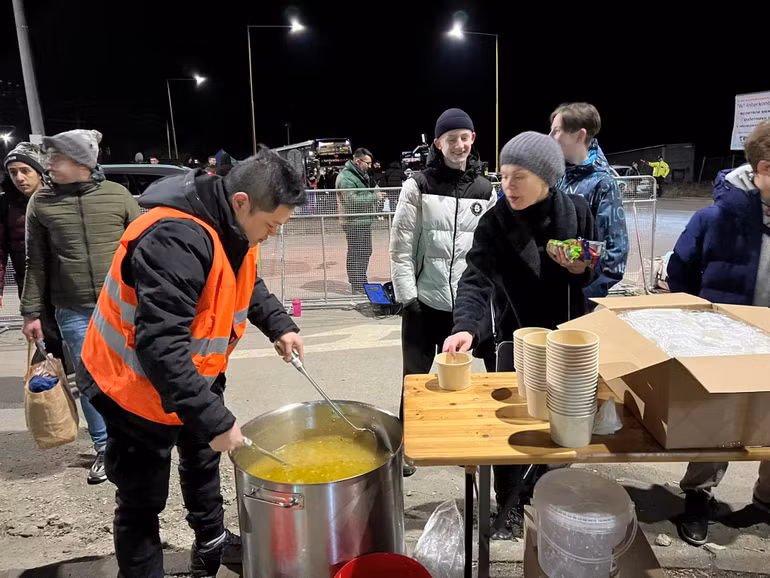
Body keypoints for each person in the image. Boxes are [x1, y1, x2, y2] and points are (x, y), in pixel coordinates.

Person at [78, 146, 306, 578]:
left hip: (193, 376)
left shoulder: (235, 227)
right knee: (142, 499)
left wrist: (280, 325)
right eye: (271, 225)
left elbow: (246, 281)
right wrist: (216, 420)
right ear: (242, 202)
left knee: (203, 459)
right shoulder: (175, 238)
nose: (273, 234)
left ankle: (213, 542)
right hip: (130, 387)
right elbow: (160, 347)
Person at [443, 132, 597, 539]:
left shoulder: (578, 212)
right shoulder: (494, 223)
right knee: (511, 431)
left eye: (519, 177)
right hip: (514, 338)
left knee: (562, 428)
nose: (507, 186)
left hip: (568, 340)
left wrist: (584, 267)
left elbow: (599, 265)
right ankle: (508, 502)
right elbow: (476, 280)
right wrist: (465, 328)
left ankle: (548, 494)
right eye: (503, 176)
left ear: (546, 177)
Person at [667, 119, 770, 546]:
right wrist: (706, 323)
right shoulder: (717, 217)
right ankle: (698, 497)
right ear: (764, 169)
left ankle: (766, 504)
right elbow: (680, 272)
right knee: (717, 424)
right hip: (727, 343)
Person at [21, 130, 141, 485]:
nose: (49, 164)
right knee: (90, 381)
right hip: (71, 309)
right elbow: (35, 262)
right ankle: (105, 447)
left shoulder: (118, 196)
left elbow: (143, 252)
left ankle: (135, 440)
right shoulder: (41, 203)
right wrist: (31, 313)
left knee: (130, 375)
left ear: (81, 162)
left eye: (56, 157)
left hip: (121, 306)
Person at [550, 102, 628, 302]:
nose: (550, 137)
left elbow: (615, 254)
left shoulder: (603, 184)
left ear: (579, 135)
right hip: (549, 295)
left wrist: (583, 294)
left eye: (556, 131)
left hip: (579, 301)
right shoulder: (557, 176)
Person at [1, 143, 69, 366]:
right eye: (13, 172)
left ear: (39, 171)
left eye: (25, 170)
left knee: (76, 340)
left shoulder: (57, 198)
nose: (19, 178)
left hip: (66, 285)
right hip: (31, 287)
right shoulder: (5, 205)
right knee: (47, 344)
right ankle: (55, 394)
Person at [336, 148, 384, 294]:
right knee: (356, 252)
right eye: (367, 163)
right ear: (358, 161)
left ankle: (361, 280)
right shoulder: (346, 177)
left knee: (365, 251)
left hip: (363, 220)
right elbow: (352, 201)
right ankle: (357, 284)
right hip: (353, 221)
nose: (370, 166)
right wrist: (375, 197)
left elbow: (369, 191)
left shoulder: (362, 175)